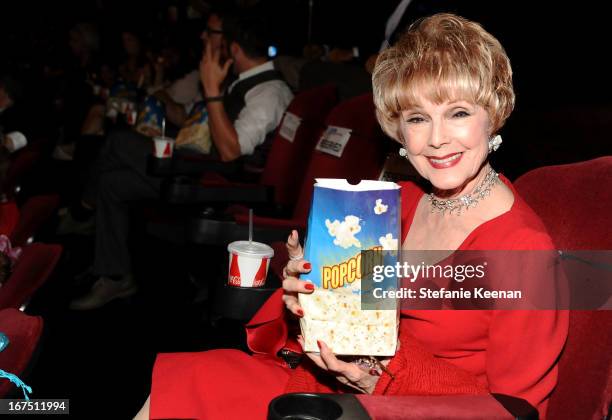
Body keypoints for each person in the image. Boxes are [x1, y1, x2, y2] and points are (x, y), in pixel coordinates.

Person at [134, 14, 568, 420]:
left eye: (458, 113)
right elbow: (354, 321)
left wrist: (380, 369)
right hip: (337, 388)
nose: (437, 140)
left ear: (493, 115)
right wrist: (314, 297)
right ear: (399, 131)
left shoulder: (523, 250)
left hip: (408, 412)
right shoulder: (396, 202)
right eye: (418, 118)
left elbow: (512, 411)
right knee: (189, 380)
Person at [68, 12, 293, 311]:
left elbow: (230, 152)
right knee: (113, 183)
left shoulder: (270, 91)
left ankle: (82, 210)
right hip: (198, 166)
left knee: (118, 141)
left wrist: (211, 90)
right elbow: (205, 128)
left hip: (218, 183)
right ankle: (115, 275)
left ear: (234, 48)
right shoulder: (240, 83)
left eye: (217, 37)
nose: (208, 41)